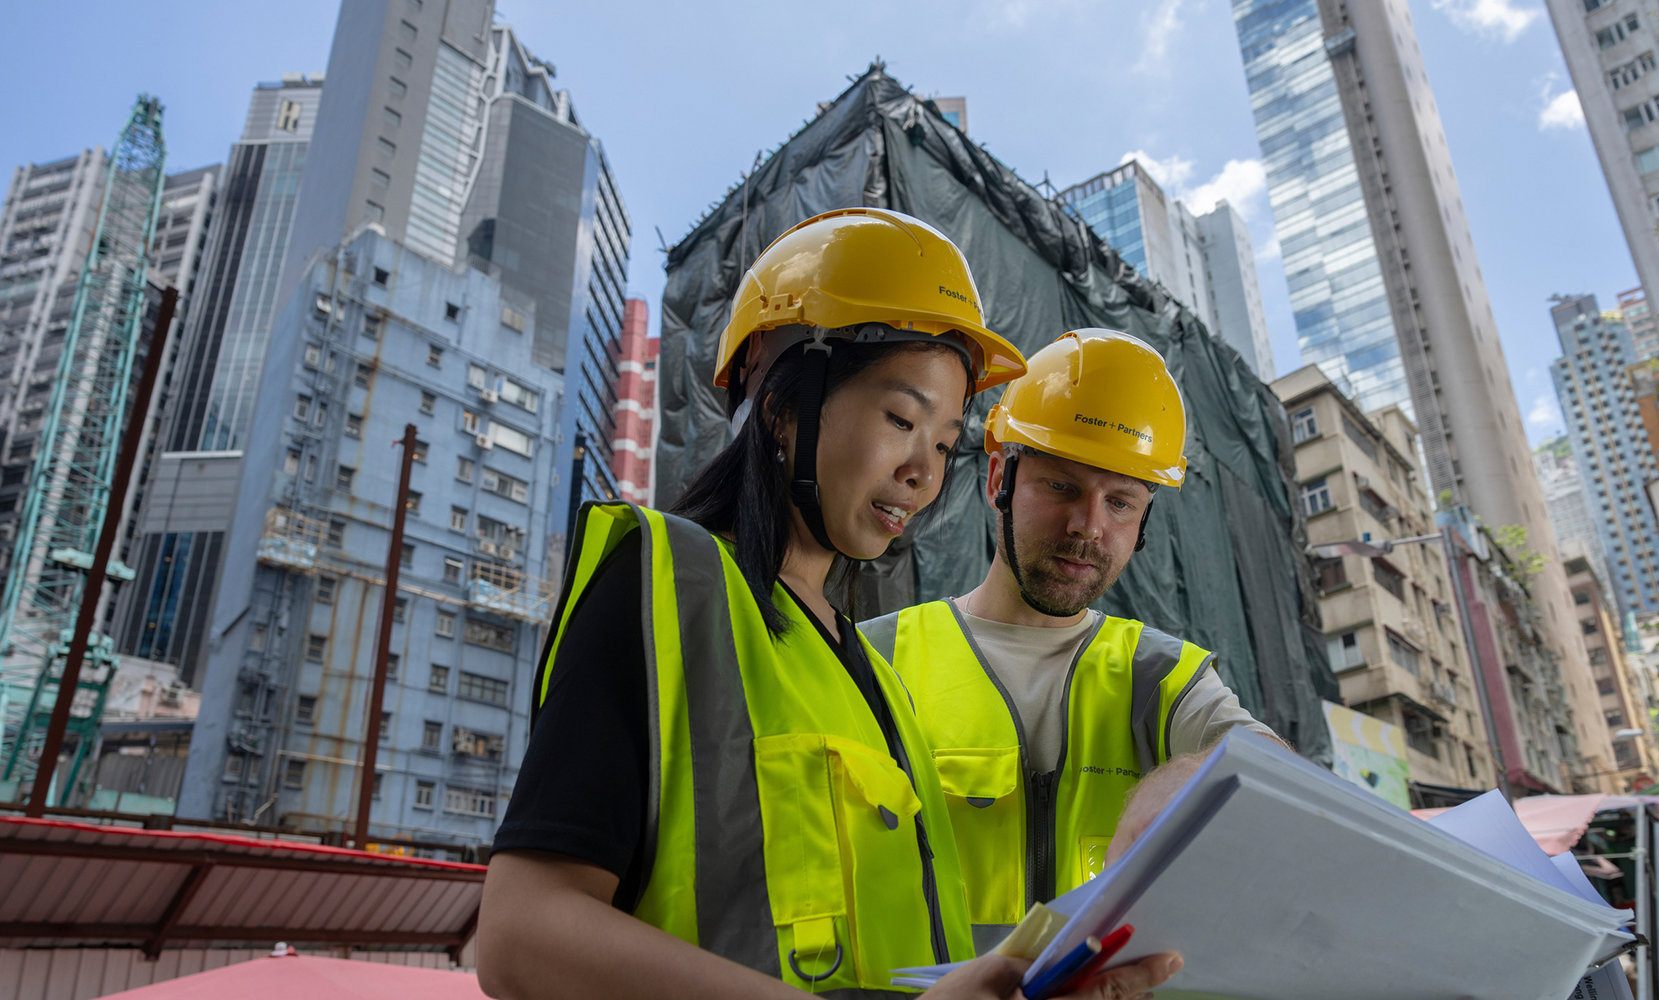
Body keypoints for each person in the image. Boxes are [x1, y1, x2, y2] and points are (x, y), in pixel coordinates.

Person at [476, 209, 1180, 999]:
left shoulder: (875, 681)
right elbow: (519, 936)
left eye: (946, 443)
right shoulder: (668, 586)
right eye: (901, 419)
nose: (924, 472)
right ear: (782, 407)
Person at [861, 329, 1287, 949]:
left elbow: (1287, 783)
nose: (1089, 527)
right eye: (1061, 486)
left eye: (1120, 502)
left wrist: (1194, 772)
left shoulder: (1163, 678)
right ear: (998, 479)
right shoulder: (876, 659)